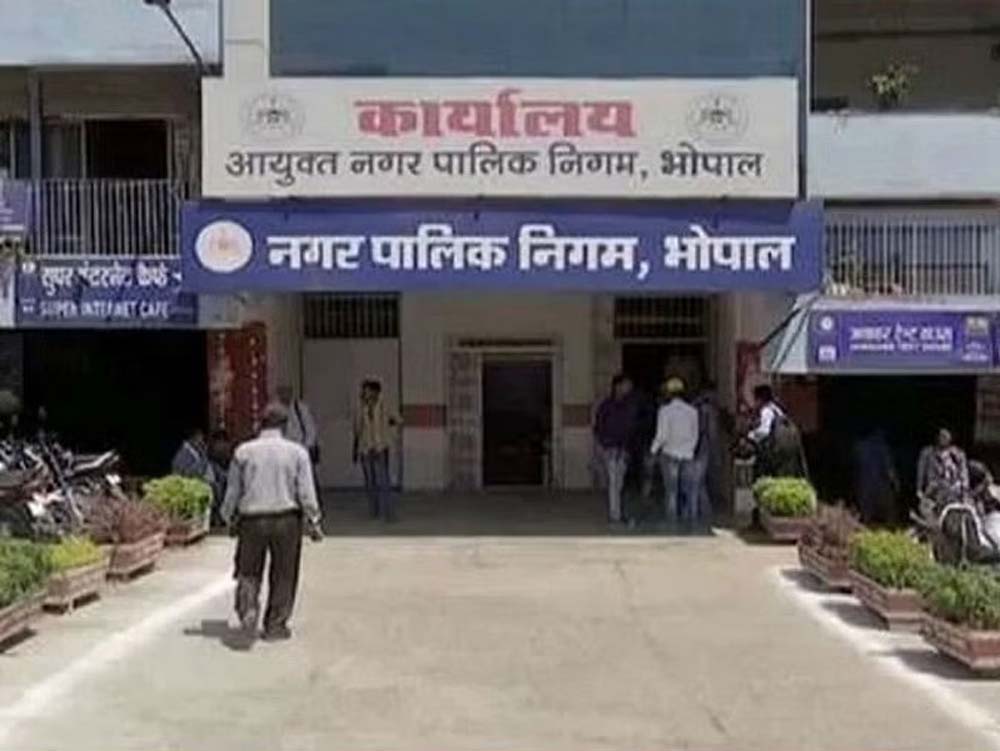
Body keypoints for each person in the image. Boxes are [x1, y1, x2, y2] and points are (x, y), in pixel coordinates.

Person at [221, 404, 323, 642]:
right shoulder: (297, 453)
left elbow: (233, 491)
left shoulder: (243, 452)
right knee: (284, 573)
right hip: (287, 519)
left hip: (252, 519)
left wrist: (228, 517)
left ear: (261, 424)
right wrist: (314, 519)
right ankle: (275, 626)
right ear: (285, 426)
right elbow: (306, 492)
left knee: (248, 569)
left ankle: (248, 606)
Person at [649, 377, 699, 522]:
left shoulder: (664, 411)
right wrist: (690, 449)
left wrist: (653, 451)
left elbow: (662, 435)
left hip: (669, 454)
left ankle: (673, 523)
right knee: (688, 491)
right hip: (688, 455)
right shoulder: (692, 411)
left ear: (668, 393)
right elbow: (695, 434)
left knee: (671, 492)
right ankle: (691, 519)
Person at [353, 379, 401, 521]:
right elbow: (357, 429)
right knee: (370, 481)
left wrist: (388, 429)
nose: (365, 394)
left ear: (375, 392)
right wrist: (356, 448)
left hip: (381, 447)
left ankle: (388, 511)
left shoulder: (384, 404)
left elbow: (397, 419)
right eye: (364, 391)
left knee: (384, 480)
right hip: (366, 447)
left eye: (368, 391)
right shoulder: (361, 407)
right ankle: (374, 509)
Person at [594, 374, 638, 525]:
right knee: (614, 483)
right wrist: (605, 444)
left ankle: (617, 513)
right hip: (611, 449)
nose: (629, 388)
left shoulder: (629, 405)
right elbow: (599, 427)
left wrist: (628, 448)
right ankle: (615, 515)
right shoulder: (606, 405)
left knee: (619, 484)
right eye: (626, 385)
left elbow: (632, 427)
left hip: (623, 449)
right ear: (617, 386)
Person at [747, 384, 807, 479]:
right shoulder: (777, 409)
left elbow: (764, 432)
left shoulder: (767, 411)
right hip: (788, 448)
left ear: (760, 399)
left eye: (755, 399)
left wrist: (751, 435)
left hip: (777, 450)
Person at [851, 427, 899, 525]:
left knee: (866, 510)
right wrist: (895, 482)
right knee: (888, 509)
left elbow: (854, 466)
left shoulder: (860, 446)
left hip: (865, 483)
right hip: (880, 483)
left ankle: (867, 525)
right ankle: (890, 526)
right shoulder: (882, 447)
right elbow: (889, 468)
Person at [916, 428, 969, 514]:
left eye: (946, 436)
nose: (944, 438)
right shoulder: (928, 453)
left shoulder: (958, 454)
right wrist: (919, 488)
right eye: (942, 436)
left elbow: (963, 473)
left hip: (953, 489)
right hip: (934, 488)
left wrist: (964, 488)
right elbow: (921, 471)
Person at [276, 385, 319, 467]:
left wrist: (306, 449)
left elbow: (310, 430)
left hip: (300, 447)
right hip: (283, 450)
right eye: (281, 392)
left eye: (286, 392)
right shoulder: (274, 410)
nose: (284, 395)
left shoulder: (300, 408)